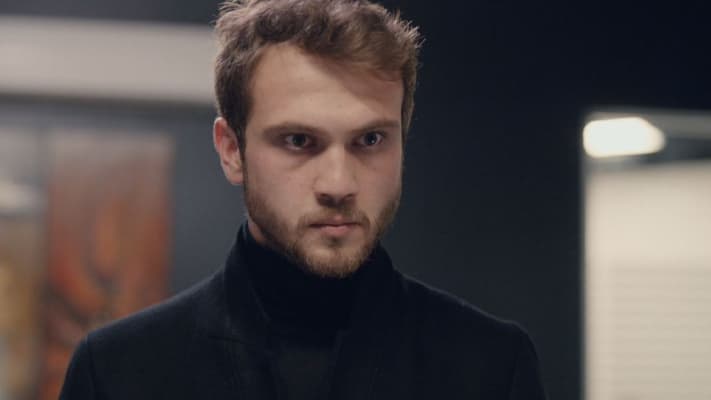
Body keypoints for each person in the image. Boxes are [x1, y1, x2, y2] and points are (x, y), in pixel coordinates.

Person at [60, 0, 547, 398]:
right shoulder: (120, 373)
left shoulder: (490, 367)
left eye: (370, 140)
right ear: (231, 151)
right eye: (299, 141)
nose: (338, 184)